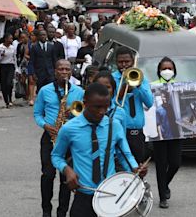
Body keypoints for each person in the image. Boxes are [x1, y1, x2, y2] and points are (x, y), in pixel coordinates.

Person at [51, 83, 147, 217]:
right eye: (97, 107)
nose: (102, 111)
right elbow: (56, 156)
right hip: (84, 195)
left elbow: (125, 154)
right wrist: (67, 170)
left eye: (106, 106)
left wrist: (136, 169)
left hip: (111, 194)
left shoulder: (114, 126)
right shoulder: (69, 129)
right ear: (85, 103)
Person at [34, 59, 84, 217]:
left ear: (71, 72)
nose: (64, 72)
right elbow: (37, 113)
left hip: (69, 139)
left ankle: (62, 212)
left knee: (66, 178)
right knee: (47, 175)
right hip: (50, 136)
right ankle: (46, 210)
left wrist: (73, 118)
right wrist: (45, 125)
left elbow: (83, 114)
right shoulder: (45, 90)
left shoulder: (78, 92)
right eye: (61, 69)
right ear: (55, 71)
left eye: (67, 69)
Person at [112, 46, 154, 163]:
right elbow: (109, 105)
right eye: (120, 62)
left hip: (137, 133)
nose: (124, 65)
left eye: (127, 62)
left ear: (133, 62)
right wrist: (121, 92)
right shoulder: (112, 79)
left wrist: (138, 85)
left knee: (138, 168)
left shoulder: (140, 77)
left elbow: (149, 103)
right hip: (119, 131)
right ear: (116, 63)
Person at [151, 57, 181, 209]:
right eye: (164, 68)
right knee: (161, 165)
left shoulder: (180, 86)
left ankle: (165, 184)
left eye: (170, 68)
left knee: (175, 163)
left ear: (174, 70)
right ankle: (163, 196)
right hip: (160, 133)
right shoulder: (152, 86)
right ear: (159, 70)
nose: (167, 71)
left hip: (175, 131)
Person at [0, 33, 17, 108]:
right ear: (6, 39)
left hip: (10, 66)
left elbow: (15, 57)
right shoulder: (0, 47)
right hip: (3, 66)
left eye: (12, 39)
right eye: (10, 38)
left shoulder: (13, 47)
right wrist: (1, 56)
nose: (11, 40)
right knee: (3, 84)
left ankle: (10, 98)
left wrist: (16, 68)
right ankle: (6, 100)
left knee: (9, 83)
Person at [25, 30, 38, 105]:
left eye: (33, 35)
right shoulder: (29, 44)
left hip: (39, 64)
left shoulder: (39, 44)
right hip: (31, 63)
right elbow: (26, 54)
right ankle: (31, 98)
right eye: (31, 35)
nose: (31, 37)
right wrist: (31, 58)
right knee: (31, 81)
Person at [16, 32, 29, 100]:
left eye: (24, 37)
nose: (23, 39)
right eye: (21, 38)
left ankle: (29, 94)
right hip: (22, 64)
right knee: (22, 80)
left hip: (29, 63)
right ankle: (25, 92)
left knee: (30, 80)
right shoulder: (20, 45)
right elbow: (18, 55)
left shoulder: (31, 45)